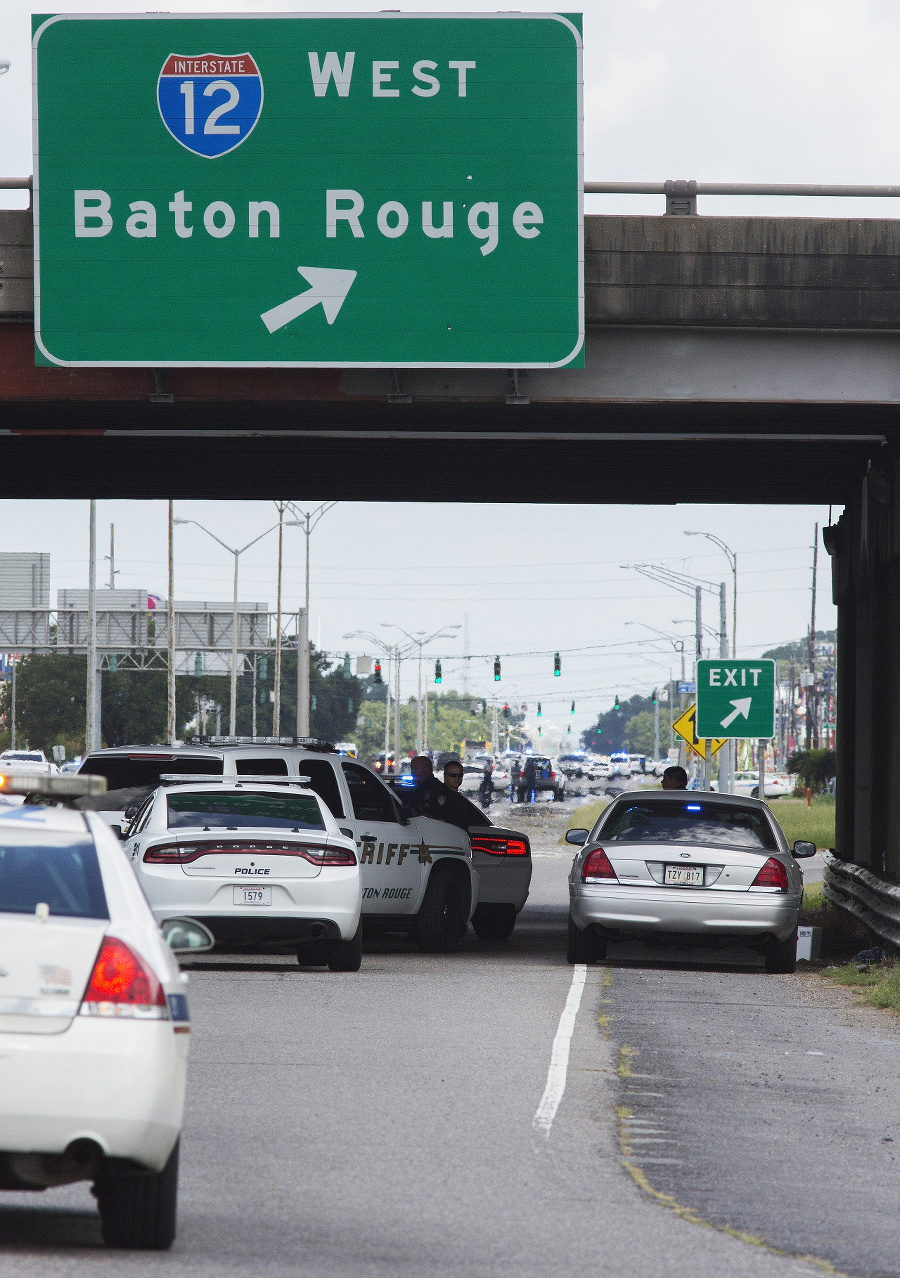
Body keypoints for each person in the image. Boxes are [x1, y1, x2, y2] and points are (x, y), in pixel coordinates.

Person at [406, 754, 471, 831]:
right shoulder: (423, 789)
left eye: (460, 775)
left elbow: (447, 820)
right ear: (445, 775)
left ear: (426, 769)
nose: (457, 778)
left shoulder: (438, 791)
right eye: (452, 775)